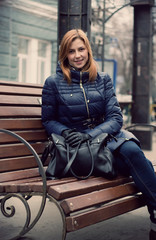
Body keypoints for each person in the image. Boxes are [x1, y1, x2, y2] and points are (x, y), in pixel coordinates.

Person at [42, 29, 156, 239]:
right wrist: (66, 132)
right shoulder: (53, 83)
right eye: (71, 51)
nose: (77, 55)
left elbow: (115, 117)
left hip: (104, 140)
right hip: (76, 148)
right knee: (142, 163)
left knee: (132, 150)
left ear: (88, 50)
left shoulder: (102, 79)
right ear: (64, 55)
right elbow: (48, 120)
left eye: (81, 49)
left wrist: (93, 134)